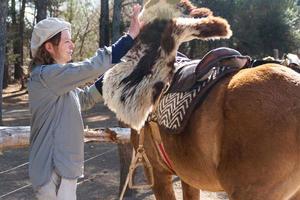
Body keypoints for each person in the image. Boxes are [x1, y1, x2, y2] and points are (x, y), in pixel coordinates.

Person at [28, 5, 142, 200]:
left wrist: (110, 77)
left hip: (61, 170)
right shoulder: (46, 75)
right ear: (49, 46)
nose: (72, 45)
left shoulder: (57, 81)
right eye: (66, 41)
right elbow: (90, 67)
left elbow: (84, 98)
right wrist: (129, 37)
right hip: (53, 171)